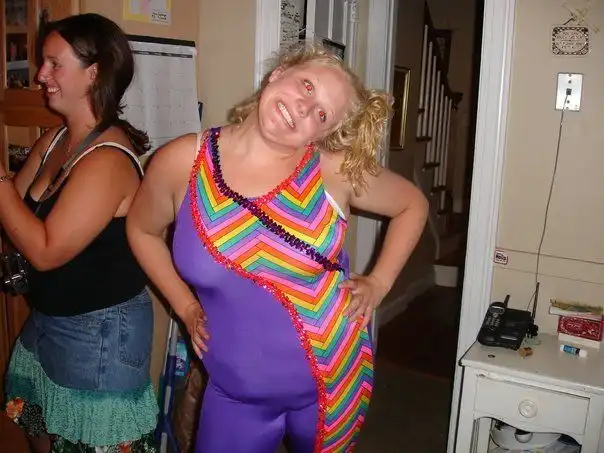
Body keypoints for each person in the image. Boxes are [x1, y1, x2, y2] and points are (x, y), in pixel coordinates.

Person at [126, 44, 428, 452]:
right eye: (307, 86)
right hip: (234, 393)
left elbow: (412, 204)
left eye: (321, 114)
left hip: (335, 380)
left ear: (322, 135)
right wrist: (184, 306)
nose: (304, 108)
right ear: (279, 72)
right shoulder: (181, 161)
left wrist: (379, 282)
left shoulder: (332, 170)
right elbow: (142, 231)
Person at [0, 13, 158, 453]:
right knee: (35, 419)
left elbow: (46, 251)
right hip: (47, 320)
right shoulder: (54, 140)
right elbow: (13, 216)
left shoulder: (107, 160)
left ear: (94, 73)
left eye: (54, 64)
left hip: (99, 334)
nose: (40, 75)